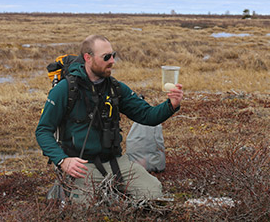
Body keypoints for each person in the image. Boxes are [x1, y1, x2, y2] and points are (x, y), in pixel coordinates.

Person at [35, 34, 183, 204]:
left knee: (153, 193)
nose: (112, 61)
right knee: (84, 209)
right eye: (106, 57)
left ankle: (112, 192)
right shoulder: (65, 90)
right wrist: (63, 160)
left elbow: (147, 116)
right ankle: (63, 191)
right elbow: (43, 131)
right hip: (81, 165)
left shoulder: (116, 88)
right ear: (88, 58)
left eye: (114, 55)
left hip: (116, 162)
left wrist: (171, 105)